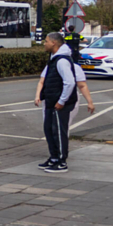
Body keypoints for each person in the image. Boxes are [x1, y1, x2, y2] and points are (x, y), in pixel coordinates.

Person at [35, 32, 77, 173]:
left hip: (59, 104)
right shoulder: (54, 58)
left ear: (54, 43)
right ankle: (53, 158)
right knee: (49, 129)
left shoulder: (62, 61)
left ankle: (61, 162)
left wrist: (62, 101)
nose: (44, 43)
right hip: (51, 102)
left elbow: (70, 82)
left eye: (46, 41)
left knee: (58, 132)